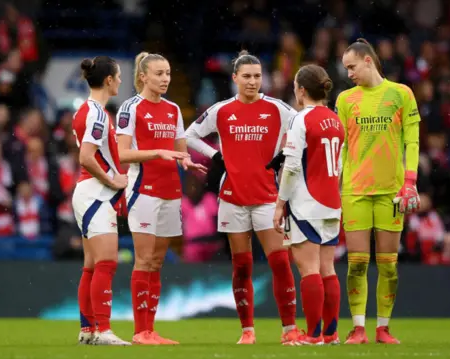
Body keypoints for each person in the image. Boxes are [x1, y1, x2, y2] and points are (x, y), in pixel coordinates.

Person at [185, 50, 300, 345]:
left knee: (280, 263)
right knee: (242, 266)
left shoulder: (279, 109)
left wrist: (285, 155)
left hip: (267, 198)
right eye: (246, 76)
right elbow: (190, 135)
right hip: (232, 199)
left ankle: (289, 330)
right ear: (235, 78)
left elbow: (302, 132)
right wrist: (215, 155)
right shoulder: (222, 110)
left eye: (257, 77)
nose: (252, 82)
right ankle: (247, 330)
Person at [116, 52, 206, 345]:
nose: (165, 78)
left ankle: (150, 329)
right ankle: (140, 331)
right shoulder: (131, 108)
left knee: (156, 261)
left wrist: (187, 162)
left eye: (167, 73)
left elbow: (180, 150)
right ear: (143, 76)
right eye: (159, 73)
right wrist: (156, 153)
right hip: (144, 190)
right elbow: (122, 153)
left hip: (170, 191)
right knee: (143, 259)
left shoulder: (173, 109)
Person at [336, 39, 421, 345]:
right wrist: (334, 186)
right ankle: (358, 328)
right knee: (357, 262)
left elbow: (412, 141)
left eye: (352, 66)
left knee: (389, 266)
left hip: (391, 192)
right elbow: (341, 148)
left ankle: (383, 328)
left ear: (368, 61)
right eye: (346, 68)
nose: (349, 74)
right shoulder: (345, 100)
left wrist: (410, 181)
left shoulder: (401, 94)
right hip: (355, 191)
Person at [272, 64, 343, 345]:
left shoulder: (300, 120)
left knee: (309, 269)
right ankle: (331, 333)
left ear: (301, 90)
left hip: (305, 202)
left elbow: (290, 168)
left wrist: (280, 204)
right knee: (328, 269)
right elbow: (339, 165)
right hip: (331, 201)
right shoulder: (336, 120)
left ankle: (313, 335)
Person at [72, 56, 130, 346]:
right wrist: (113, 180)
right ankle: (103, 330)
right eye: (118, 76)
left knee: (92, 265)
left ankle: (88, 330)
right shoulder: (96, 113)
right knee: (106, 263)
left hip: (88, 193)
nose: (121, 81)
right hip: (96, 192)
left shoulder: (85, 111)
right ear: (108, 80)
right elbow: (85, 157)